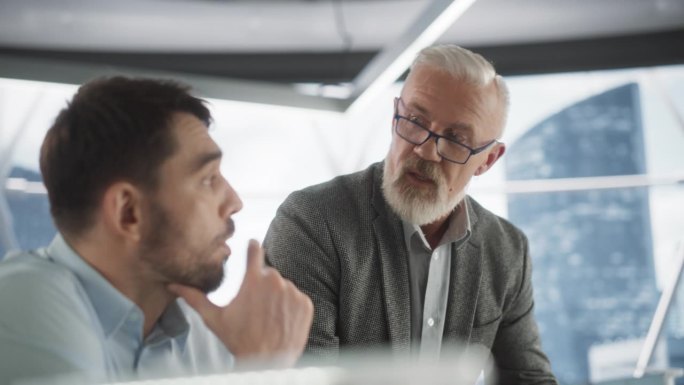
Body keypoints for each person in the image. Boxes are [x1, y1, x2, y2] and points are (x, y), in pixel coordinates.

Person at [264, 45, 558, 384]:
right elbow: (305, 379)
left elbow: (529, 379)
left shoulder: (506, 251)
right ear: (394, 117)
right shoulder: (312, 223)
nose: (424, 150)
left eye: (456, 139)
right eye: (415, 122)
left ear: (488, 160)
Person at [0, 77, 313, 385]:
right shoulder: (22, 300)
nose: (234, 202)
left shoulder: (202, 335)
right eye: (208, 178)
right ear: (128, 212)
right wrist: (263, 370)